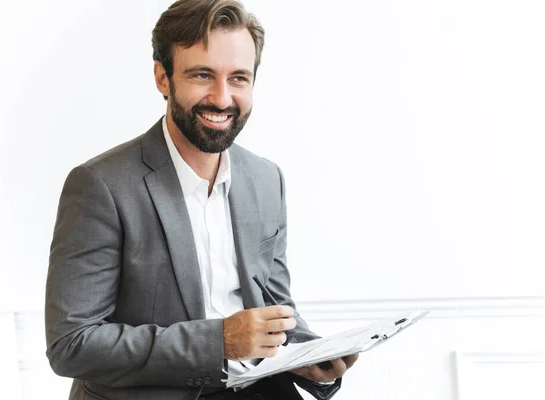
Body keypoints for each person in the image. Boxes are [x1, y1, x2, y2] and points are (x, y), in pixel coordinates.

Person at [45, 1, 358, 399]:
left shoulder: (266, 179)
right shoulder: (99, 185)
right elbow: (71, 344)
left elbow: (277, 308)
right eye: (203, 75)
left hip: (260, 387)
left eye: (239, 78)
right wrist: (218, 342)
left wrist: (308, 355)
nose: (223, 98)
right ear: (163, 77)